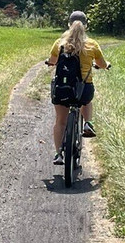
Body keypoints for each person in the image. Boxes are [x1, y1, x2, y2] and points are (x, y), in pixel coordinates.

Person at [45, 10, 110, 165]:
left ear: (69, 24)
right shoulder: (92, 44)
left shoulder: (60, 43)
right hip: (83, 89)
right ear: (85, 26)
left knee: (60, 121)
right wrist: (106, 65)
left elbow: (53, 61)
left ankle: (59, 154)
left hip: (63, 88)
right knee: (87, 99)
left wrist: (49, 62)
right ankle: (87, 122)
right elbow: (101, 64)